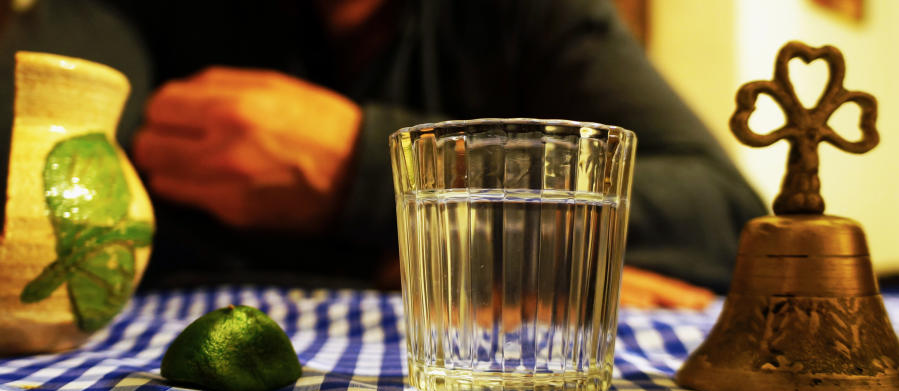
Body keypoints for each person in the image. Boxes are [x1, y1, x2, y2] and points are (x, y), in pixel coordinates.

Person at [5, 0, 769, 308]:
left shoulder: (530, 13)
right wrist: (467, 256)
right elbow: (31, 159)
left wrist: (365, 171)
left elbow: (727, 217)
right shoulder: (153, 12)